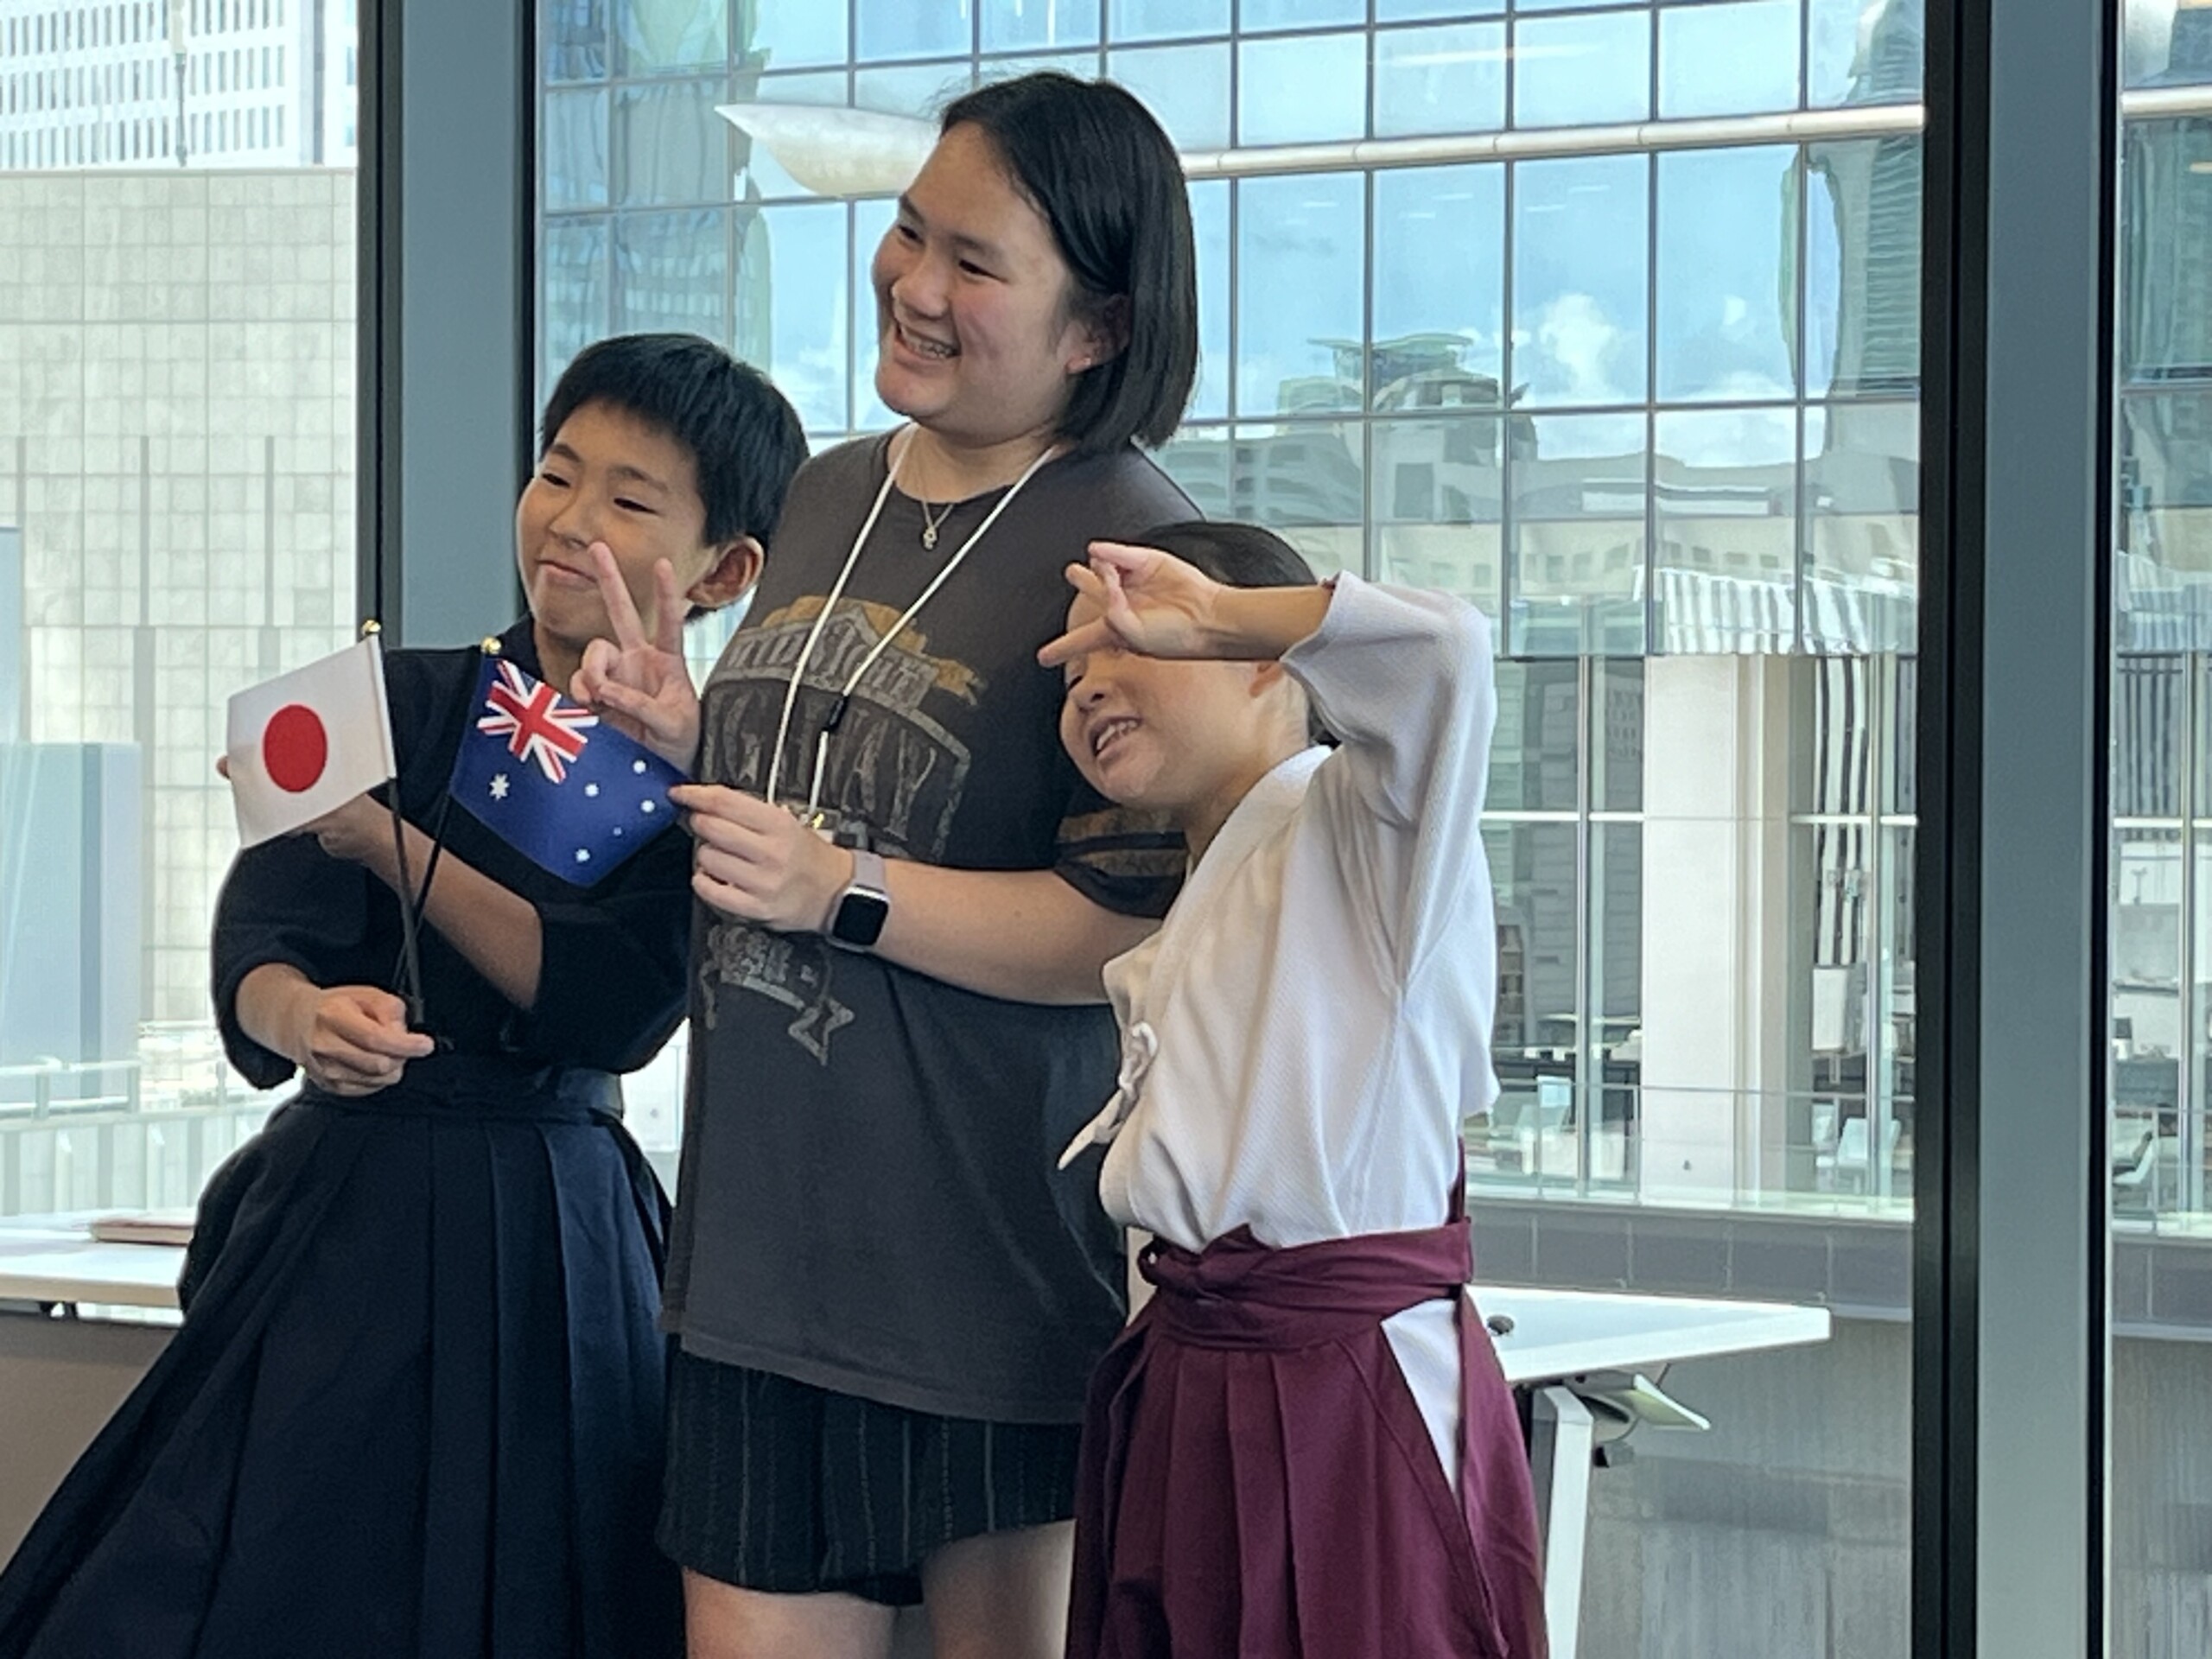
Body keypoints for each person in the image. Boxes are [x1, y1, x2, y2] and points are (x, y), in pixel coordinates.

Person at [0, 333, 809, 1659]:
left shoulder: (713, 777)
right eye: (557, 473)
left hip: (558, 1220)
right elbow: (258, 939)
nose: (570, 520)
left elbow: (610, 1010)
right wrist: (305, 1020)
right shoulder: (383, 693)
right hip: (346, 1201)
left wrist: (383, 841)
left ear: (724, 570)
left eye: (629, 498)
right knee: (263, 1576)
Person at [574, 71, 1198, 1659]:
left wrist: (838, 889)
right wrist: (690, 735)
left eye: (974, 263)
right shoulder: (830, 492)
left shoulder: (1132, 552)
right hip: (754, 1263)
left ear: (1100, 328)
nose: (913, 284)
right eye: (911, 232)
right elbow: (820, 803)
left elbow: (1127, 927)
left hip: (988, 1283)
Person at [1039, 524, 1548, 1659]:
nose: (1091, 687)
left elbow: (1446, 653)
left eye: (1128, 645)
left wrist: (1219, 615)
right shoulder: (1204, 891)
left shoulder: (1365, 827)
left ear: (1272, 660)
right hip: (1189, 1368)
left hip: (1345, 1385)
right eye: (1073, 673)